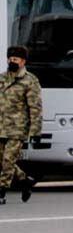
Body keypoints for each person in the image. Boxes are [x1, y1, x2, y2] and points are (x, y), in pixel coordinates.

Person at [0, 45, 41, 205]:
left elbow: (35, 107)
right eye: (10, 59)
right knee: (2, 160)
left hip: (17, 128)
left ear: (23, 61)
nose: (12, 62)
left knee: (8, 160)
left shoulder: (30, 81)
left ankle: (2, 191)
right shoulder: (2, 78)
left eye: (15, 59)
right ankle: (25, 181)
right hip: (1, 126)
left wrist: (35, 132)